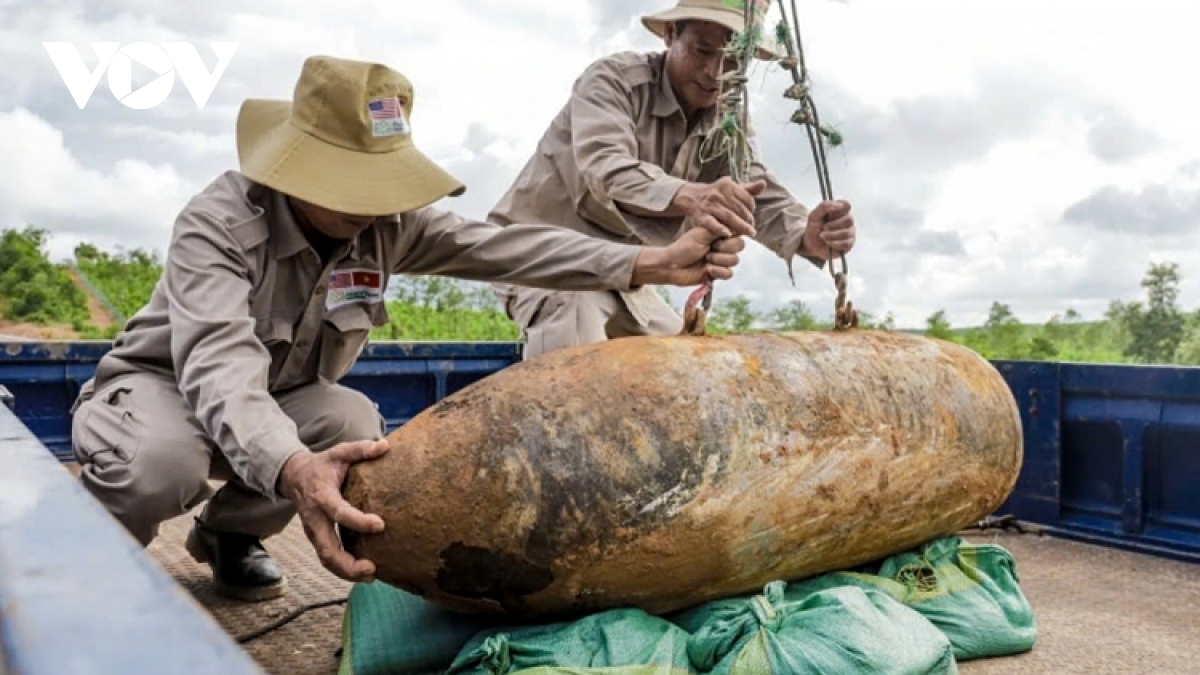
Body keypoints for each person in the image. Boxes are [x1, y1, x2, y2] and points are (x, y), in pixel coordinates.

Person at [69, 55, 745, 602]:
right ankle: (84, 560)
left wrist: (652, 261)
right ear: (299, 165)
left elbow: (509, 248)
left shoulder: (386, 224)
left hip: (278, 397)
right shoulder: (218, 223)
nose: (374, 204)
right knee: (160, 464)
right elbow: (218, 368)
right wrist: (297, 466)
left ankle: (228, 534)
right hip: (169, 391)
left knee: (354, 425)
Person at [490, 0, 858, 357]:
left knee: (689, 366)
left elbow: (753, 190)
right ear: (670, 34)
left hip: (627, 276)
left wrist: (805, 235)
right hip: (544, 257)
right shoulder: (612, 81)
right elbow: (607, 168)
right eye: (703, 51)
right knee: (572, 319)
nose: (715, 73)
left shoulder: (728, 120)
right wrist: (692, 197)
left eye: (732, 61)